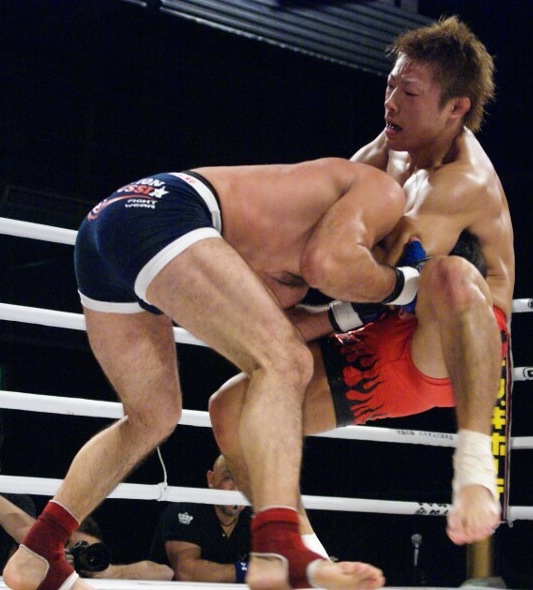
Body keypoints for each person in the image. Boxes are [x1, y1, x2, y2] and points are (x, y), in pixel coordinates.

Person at [4, 156, 420, 590]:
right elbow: (328, 268)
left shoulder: (300, 237)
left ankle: (39, 551)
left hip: (112, 226)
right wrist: (404, 285)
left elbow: (265, 325)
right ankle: (279, 546)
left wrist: (350, 312)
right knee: (288, 361)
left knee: (152, 416)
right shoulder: (372, 197)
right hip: (165, 213)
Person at [209, 14, 514, 552]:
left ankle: (474, 469)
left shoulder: (464, 182)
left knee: (449, 273)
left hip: (459, 344)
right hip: (386, 324)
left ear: (456, 107)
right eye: (390, 85)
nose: (391, 102)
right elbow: (330, 240)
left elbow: (374, 267)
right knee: (231, 411)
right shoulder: (387, 150)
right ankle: (304, 559)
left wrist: (316, 297)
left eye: (409, 93)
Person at [0, 495, 173, 581]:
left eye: (87, 550)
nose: (80, 555)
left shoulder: (97, 575)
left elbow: (166, 573)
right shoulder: (35, 557)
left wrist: (110, 572)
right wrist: (52, 561)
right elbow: (27, 540)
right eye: (73, 547)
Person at [149, 454, 252, 582]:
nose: (237, 488)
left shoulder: (253, 517)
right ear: (211, 479)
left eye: (245, 479)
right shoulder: (186, 510)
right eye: (229, 478)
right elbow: (186, 572)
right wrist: (247, 571)